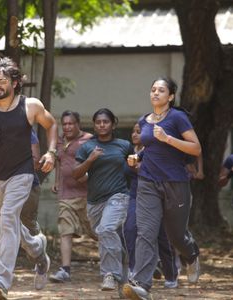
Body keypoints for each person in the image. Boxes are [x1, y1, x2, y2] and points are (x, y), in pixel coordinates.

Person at [0, 57, 58, 300]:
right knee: (8, 221)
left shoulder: (31, 106)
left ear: (15, 83)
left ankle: (2, 280)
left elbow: (51, 124)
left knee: (7, 217)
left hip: (22, 172)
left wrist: (51, 152)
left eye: (3, 80)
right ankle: (38, 248)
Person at [123, 77, 202, 300]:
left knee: (175, 236)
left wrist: (168, 138)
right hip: (148, 182)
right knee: (145, 233)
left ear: (171, 96)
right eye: (153, 90)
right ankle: (141, 285)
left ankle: (192, 254)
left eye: (161, 90)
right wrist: (137, 156)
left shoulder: (178, 118)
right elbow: (150, 148)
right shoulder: (145, 120)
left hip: (176, 182)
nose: (156, 93)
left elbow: (195, 149)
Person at [72, 108, 133, 292]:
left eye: (105, 121)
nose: (102, 125)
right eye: (98, 122)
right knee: (106, 237)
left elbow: (132, 170)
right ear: (94, 125)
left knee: (106, 229)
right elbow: (76, 174)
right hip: (94, 202)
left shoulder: (124, 145)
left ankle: (110, 275)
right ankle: (125, 268)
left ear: (113, 124)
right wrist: (90, 160)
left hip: (118, 196)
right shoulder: (87, 147)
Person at [124, 123, 180, 289]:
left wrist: (136, 166)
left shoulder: (154, 151)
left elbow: (148, 170)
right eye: (133, 131)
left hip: (157, 195)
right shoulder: (129, 151)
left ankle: (170, 273)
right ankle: (135, 269)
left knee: (162, 236)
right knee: (130, 229)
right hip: (135, 195)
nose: (135, 134)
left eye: (139, 132)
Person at [49, 110, 96, 283]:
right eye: (65, 124)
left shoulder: (89, 140)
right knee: (65, 231)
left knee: (96, 232)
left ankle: (125, 260)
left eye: (71, 124)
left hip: (87, 194)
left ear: (78, 124)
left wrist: (89, 177)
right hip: (66, 194)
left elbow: (97, 164)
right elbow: (59, 163)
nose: (67, 127)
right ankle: (65, 270)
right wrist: (56, 181)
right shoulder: (60, 141)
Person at [0, 130, 43, 274]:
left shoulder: (25, 128)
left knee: (27, 225)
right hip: (0, 184)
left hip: (26, 185)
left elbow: (36, 162)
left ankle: (40, 257)